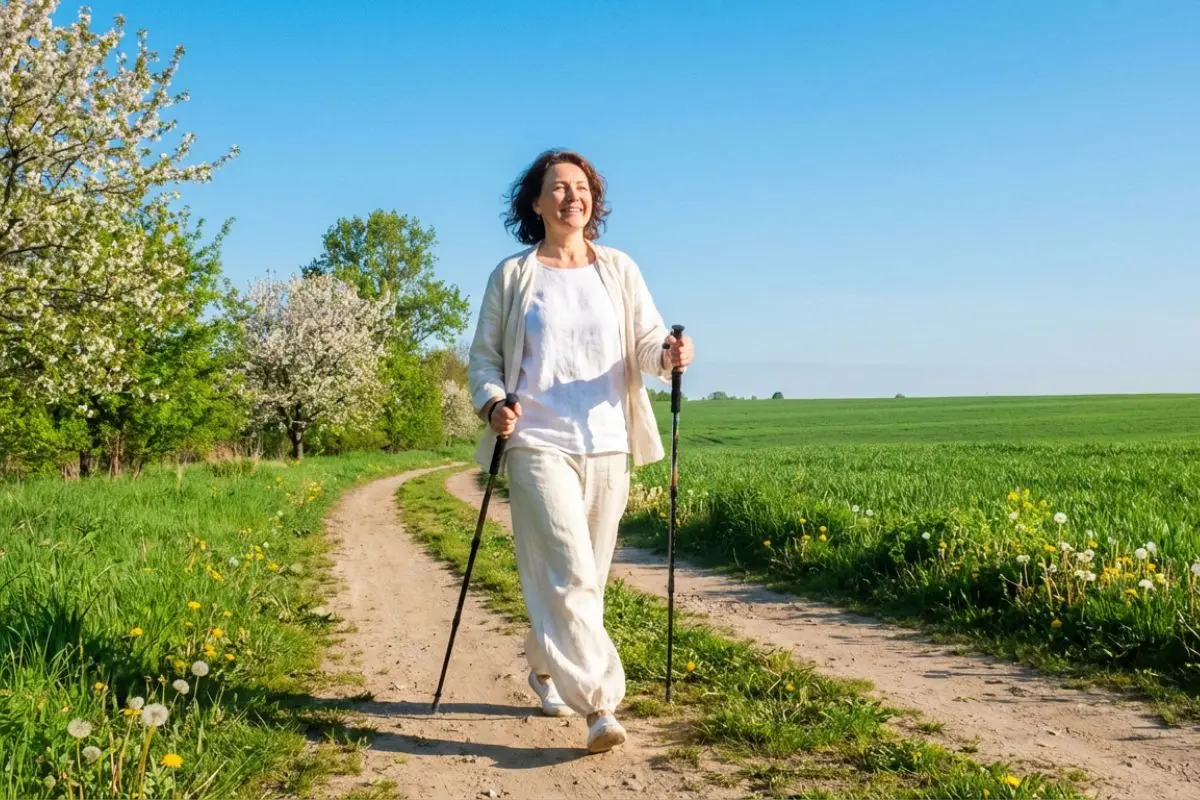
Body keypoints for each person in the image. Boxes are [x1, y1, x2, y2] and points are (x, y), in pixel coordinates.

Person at [466, 149, 694, 753]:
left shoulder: (617, 269)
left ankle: (544, 665)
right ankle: (599, 704)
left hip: (608, 442)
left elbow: (646, 342)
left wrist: (668, 356)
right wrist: (493, 403)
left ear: (593, 200)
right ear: (536, 203)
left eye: (582, 187)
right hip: (537, 439)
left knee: (586, 574)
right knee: (569, 571)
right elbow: (484, 359)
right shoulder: (513, 276)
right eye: (558, 188)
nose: (573, 196)